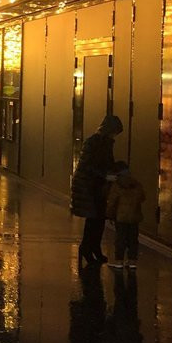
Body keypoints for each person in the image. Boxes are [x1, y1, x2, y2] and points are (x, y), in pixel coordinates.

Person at [71, 114, 123, 266]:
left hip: (96, 185)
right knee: (94, 219)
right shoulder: (94, 142)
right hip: (88, 186)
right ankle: (87, 248)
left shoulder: (104, 142)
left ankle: (93, 248)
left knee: (98, 219)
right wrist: (106, 175)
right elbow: (88, 166)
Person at [105, 161, 145, 269]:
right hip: (134, 216)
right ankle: (132, 261)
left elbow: (112, 202)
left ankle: (119, 261)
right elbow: (142, 197)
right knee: (133, 239)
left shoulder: (117, 185)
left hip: (121, 216)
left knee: (120, 239)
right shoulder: (136, 183)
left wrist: (109, 215)